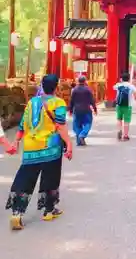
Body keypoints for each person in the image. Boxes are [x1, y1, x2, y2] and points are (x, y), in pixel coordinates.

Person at [5, 74, 73, 231]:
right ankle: (49, 210)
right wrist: (68, 144)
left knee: (25, 177)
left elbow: (22, 125)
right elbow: (60, 126)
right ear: (56, 87)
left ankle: (17, 213)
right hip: (51, 147)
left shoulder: (31, 102)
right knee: (51, 177)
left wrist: (15, 142)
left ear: (42, 85)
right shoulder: (58, 102)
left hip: (30, 147)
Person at [69, 76, 97, 146]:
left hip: (77, 110)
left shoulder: (74, 90)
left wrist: (70, 110)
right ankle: (82, 135)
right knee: (88, 123)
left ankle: (79, 141)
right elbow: (92, 100)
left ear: (78, 81)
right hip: (86, 109)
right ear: (85, 81)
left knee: (77, 125)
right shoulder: (88, 89)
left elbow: (71, 101)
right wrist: (95, 109)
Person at [114, 73, 136, 141]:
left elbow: (115, 91)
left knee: (119, 119)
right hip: (128, 106)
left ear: (121, 78)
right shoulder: (131, 86)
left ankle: (119, 130)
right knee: (126, 121)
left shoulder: (118, 85)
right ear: (128, 79)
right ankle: (125, 135)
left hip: (119, 105)